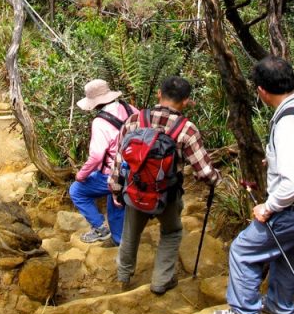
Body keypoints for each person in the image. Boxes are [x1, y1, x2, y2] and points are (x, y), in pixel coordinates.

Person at [224, 55, 294, 314]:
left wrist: (267, 207)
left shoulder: (287, 124)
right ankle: (281, 307)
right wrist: (275, 160)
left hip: (291, 209)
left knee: (242, 251)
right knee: (289, 252)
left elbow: (292, 183)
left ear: (261, 91)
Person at [108, 75, 219, 294]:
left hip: (135, 189)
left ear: (159, 93)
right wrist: (217, 179)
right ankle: (161, 281)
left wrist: (116, 189)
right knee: (172, 231)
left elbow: (119, 159)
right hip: (166, 194)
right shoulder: (187, 129)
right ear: (186, 101)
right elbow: (205, 172)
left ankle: (123, 276)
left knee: (130, 233)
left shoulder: (135, 120)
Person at [69, 78, 133, 245]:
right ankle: (120, 239)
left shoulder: (100, 122)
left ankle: (100, 228)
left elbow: (97, 156)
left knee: (76, 191)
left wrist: (81, 175)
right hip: (135, 168)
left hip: (113, 173)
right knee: (116, 199)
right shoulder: (129, 108)